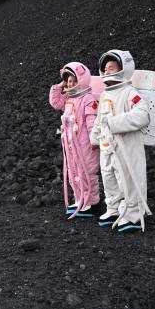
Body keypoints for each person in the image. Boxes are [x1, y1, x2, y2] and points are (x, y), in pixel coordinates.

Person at [90, 50, 151, 233]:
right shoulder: (105, 95)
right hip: (107, 146)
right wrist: (95, 135)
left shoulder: (129, 92)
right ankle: (114, 209)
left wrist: (116, 124)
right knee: (109, 178)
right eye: (105, 69)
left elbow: (143, 115)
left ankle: (133, 213)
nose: (107, 72)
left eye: (111, 68)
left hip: (126, 146)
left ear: (123, 68)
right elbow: (100, 118)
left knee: (129, 178)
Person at [50, 62, 101, 218]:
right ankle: (80, 198)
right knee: (74, 171)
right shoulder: (69, 99)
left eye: (74, 81)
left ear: (81, 80)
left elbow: (92, 120)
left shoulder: (87, 98)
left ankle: (92, 202)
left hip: (85, 143)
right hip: (72, 143)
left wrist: (94, 140)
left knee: (87, 171)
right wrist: (61, 84)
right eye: (69, 81)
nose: (71, 84)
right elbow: (55, 102)